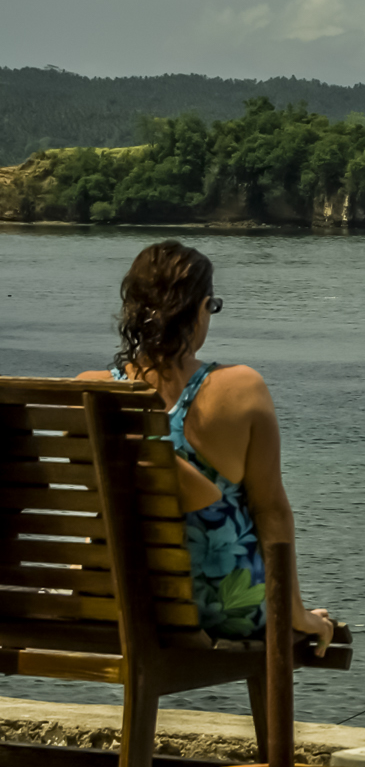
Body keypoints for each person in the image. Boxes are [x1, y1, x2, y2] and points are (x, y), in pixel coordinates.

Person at [77, 241, 333, 649]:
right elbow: (271, 510)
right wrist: (295, 611)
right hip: (221, 607)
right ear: (198, 309)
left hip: (111, 599)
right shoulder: (242, 388)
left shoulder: (89, 391)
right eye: (211, 307)